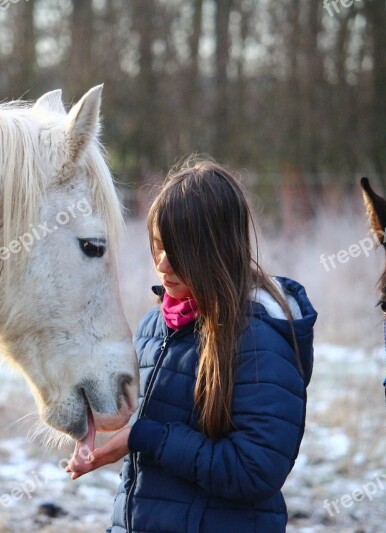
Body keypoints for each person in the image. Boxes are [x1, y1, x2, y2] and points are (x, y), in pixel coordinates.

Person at [66, 159, 317, 532]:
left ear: (215, 250)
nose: (163, 265)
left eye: (178, 251)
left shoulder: (260, 339)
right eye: (158, 247)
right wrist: (95, 421)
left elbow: (254, 470)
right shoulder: (156, 325)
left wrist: (146, 437)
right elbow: (156, 423)